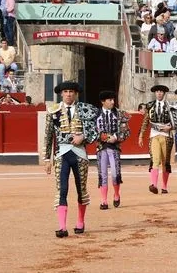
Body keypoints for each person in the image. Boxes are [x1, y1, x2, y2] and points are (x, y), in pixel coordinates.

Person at [42, 81, 100, 238]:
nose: (68, 94)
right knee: (62, 189)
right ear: (61, 93)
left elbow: (95, 131)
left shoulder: (86, 109)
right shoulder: (53, 111)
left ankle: (80, 222)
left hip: (80, 154)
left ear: (76, 94)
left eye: (71, 91)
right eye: (66, 91)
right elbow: (48, 136)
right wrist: (47, 159)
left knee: (81, 189)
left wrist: (83, 136)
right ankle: (62, 227)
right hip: (62, 154)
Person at [95, 90, 130, 210]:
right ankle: (103, 200)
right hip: (101, 148)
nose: (112, 102)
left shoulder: (119, 114)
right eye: (110, 100)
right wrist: (102, 137)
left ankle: (116, 194)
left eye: (113, 99)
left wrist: (116, 137)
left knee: (115, 174)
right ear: (103, 102)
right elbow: (90, 130)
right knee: (103, 174)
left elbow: (126, 131)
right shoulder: (95, 114)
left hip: (114, 147)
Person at [139, 84, 174, 194]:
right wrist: (141, 136)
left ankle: (164, 186)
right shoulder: (150, 106)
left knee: (165, 162)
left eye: (161, 92)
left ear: (164, 93)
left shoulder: (170, 106)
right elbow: (145, 122)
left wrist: (171, 127)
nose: (159, 93)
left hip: (166, 136)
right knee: (155, 160)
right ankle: (154, 184)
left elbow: (176, 122)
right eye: (157, 91)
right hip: (154, 135)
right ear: (155, 93)